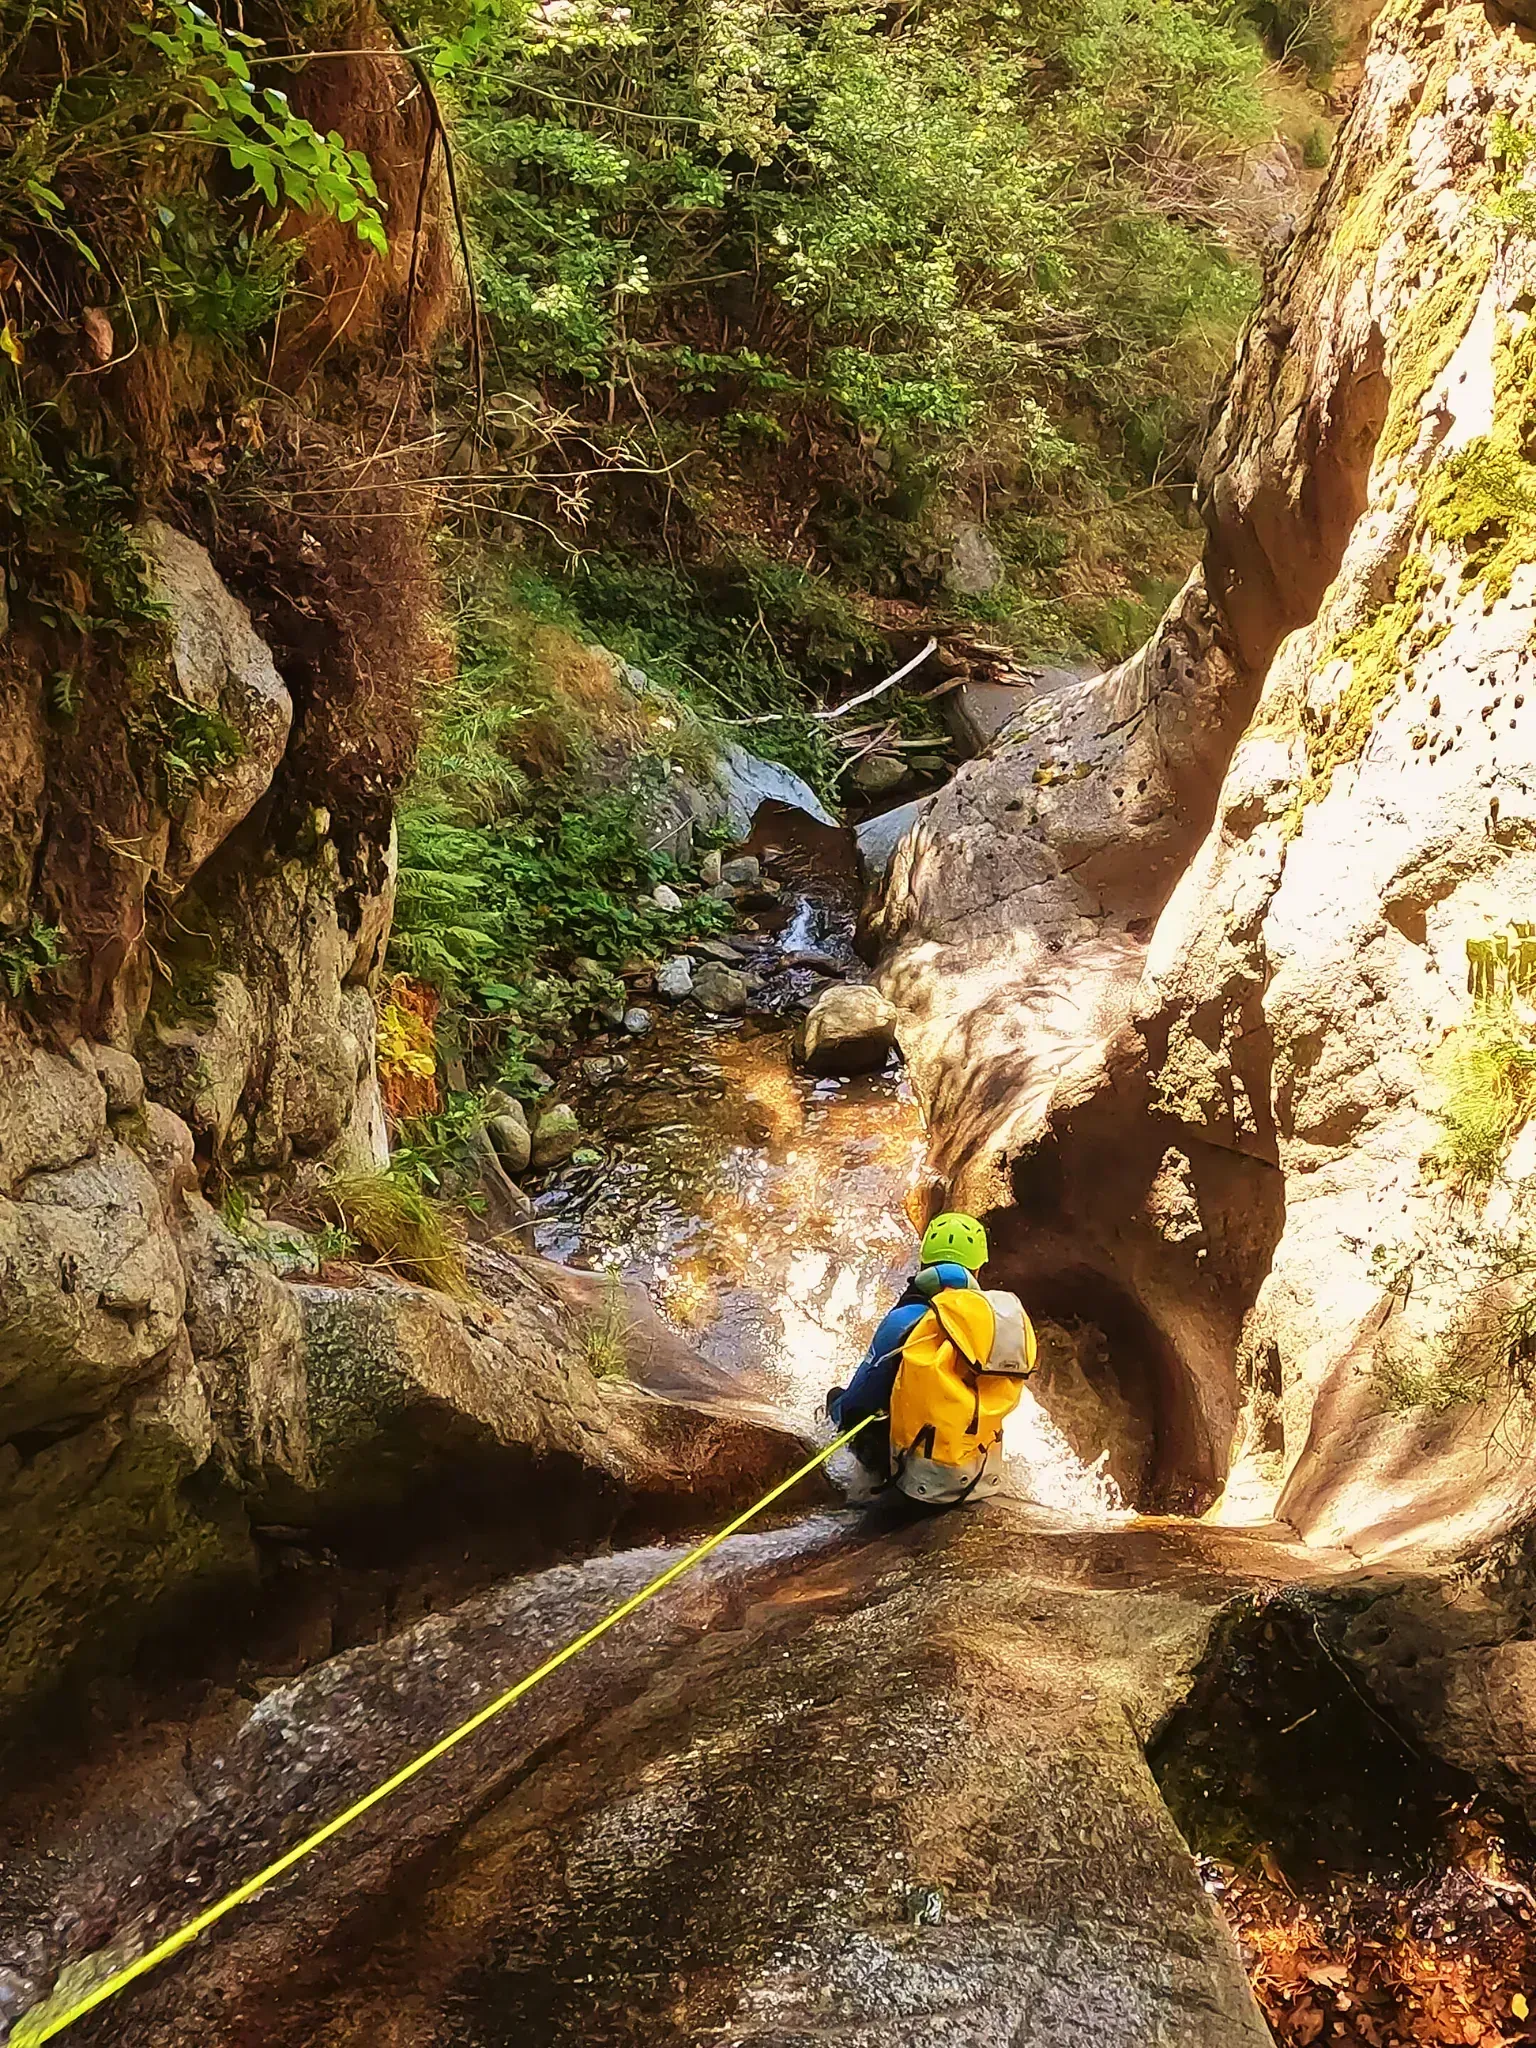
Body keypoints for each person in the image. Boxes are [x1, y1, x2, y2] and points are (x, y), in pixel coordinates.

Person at [827, 1211, 991, 1483]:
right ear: (977, 1270)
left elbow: (858, 1403)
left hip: (905, 1473)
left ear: (923, 1261)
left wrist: (835, 1407)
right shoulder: (990, 1326)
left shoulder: (903, 1320)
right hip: (973, 1469)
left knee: (839, 1400)